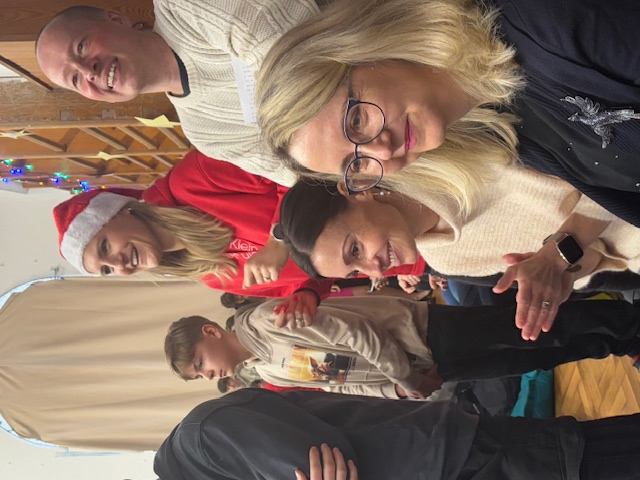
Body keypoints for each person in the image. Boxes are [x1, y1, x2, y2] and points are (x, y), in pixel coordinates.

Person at [256, 0, 640, 331]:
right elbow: (608, 215)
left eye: (356, 120)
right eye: (356, 162)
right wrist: (560, 265)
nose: (381, 151)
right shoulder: (496, 131)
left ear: (362, 47)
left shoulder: (540, 30)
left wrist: (560, 252)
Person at [52, 150, 423, 326]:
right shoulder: (212, 276)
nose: (117, 265)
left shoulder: (191, 181)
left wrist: (279, 238)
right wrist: (307, 296)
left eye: (105, 247)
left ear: (119, 210)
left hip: (403, 203)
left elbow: (298, 164)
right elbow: (319, 274)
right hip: (406, 259)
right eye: (106, 270)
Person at [277, 175, 640, 340]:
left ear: (355, 190)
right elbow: (599, 258)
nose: (375, 269)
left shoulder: (453, 162)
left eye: (355, 249)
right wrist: (564, 276)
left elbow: (611, 164)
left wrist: (558, 255)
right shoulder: (448, 261)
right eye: (355, 270)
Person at [35, 1, 330, 185]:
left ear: (116, 19)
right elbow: (303, 177)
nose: (87, 71)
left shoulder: (183, 7)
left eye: (81, 47)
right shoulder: (205, 133)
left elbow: (300, 55)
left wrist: (302, 138)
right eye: (75, 79)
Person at [164, 296, 640, 399]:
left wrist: (405, 377)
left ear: (211, 332)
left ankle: (628, 322)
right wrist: (397, 391)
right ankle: (618, 345)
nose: (208, 374)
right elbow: (338, 385)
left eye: (200, 362)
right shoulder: (270, 372)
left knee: (536, 330)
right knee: (532, 358)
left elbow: (355, 332)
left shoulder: (268, 320)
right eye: (198, 375)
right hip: (427, 371)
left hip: (425, 334)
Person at [154, 388, 640, 480]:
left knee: (587, 461)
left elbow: (330, 465)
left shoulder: (202, 442)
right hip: (441, 460)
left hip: (448, 461)